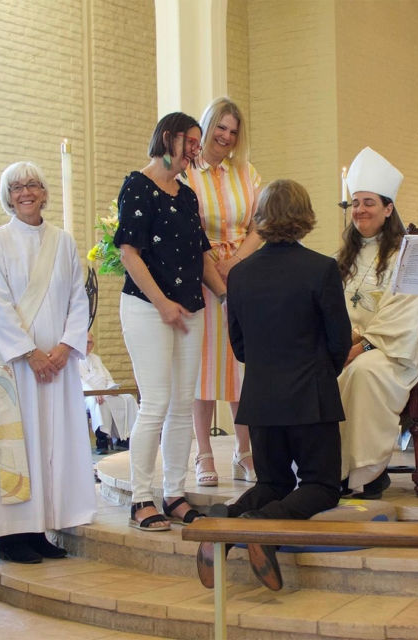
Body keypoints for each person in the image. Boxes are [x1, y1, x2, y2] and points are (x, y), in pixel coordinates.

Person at [196, 179, 352, 591]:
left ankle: (225, 521)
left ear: (261, 218)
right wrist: (321, 374)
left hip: (261, 400)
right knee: (321, 486)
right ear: (305, 216)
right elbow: (339, 341)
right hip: (310, 397)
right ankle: (262, 527)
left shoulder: (240, 275)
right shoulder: (321, 269)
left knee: (273, 483)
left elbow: (240, 346)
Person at [0, 161, 96, 563]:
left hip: (56, 366)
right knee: (17, 445)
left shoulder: (62, 242)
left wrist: (64, 348)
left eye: (32, 185)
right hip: (16, 365)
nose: (25, 192)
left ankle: (41, 527)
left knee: (49, 443)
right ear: (8, 197)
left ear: (44, 193)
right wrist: (31, 353)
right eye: (16, 187)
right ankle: (11, 537)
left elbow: (78, 298)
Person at [114, 112, 225, 531]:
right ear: (167, 138)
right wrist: (162, 304)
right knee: (156, 402)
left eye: (198, 143)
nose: (196, 150)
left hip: (189, 309)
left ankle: (174, 492)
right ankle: (141, 498)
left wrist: (228, 297)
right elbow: (129, 252)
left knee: (182, 403)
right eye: (191, 141)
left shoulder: (187, 195)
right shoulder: (138, 186)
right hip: (147, 308)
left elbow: (202, 256)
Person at [338, 147, 418, 499]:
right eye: (355, 203)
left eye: (369, 203)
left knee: (362, 372)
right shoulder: (344, 256)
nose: (360, 210)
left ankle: (366, 473)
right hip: (352, 347)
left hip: (404, 348)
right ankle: (331, 470)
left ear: (388, 209)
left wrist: (359, 347)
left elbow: (405, 316)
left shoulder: (411, 254)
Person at [183, 97, 261, 486]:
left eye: (233, 131)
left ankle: (244, 452)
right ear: (207, 126)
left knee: (241, 366)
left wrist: (237, 262)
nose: (227, 136)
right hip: (200, 275)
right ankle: (204, 454)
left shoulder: (246, 172)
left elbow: (260, 224)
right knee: (204, 368)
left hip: (243, 273)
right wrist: (215, 269)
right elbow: (186, 229)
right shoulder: (187, 173)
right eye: (221, 127)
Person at [79, 331, 137, 453]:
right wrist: (94, 393)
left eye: (90, 343)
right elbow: (79, 381)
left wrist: (113, 389)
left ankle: (124, 437)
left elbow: (107, 378)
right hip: (86, 395)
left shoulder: (96, 359)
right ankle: (102, 439)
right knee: (98, 402)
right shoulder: (73, 359)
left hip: (104, 393)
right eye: (86, 342)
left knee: (128, 398)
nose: (88, 345)